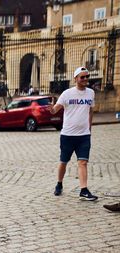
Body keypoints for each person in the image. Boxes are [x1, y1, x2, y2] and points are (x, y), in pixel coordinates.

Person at [50, 67, 98, 201]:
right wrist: (51, 109)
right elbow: (55, 110)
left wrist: (89, 128)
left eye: (87, 77)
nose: (85, 79)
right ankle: (59, 183)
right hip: (67, 135)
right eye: (82, 77)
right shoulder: (67, 94)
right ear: (75, 78)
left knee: (83, 162)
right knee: (63, 161)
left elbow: (90, 111)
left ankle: (84, 190)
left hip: (84, 136)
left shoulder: (91, 93)